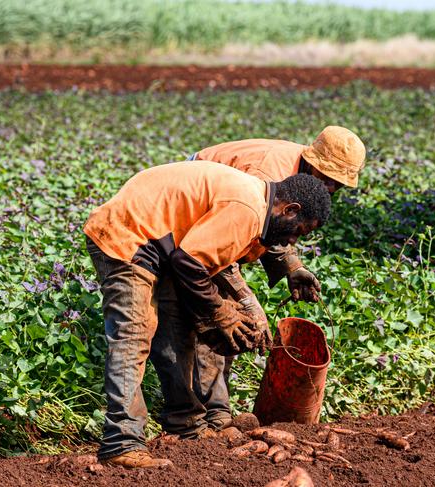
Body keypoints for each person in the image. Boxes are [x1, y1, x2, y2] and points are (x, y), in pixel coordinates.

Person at [83, 160, 331, 468]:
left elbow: (203, 259)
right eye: (298, 231)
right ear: (290, 209)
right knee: (133, 337)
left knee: (177, 333)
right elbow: (189, 263)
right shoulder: (248, 209)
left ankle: (186, 426)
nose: (291, 241)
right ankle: (121, 442)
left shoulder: (255, 201)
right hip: (128, 235)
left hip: (160, 244)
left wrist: (229, 309)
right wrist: (220, 312)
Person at [183, 126, 366, 432]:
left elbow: (272, 227)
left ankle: (216, 411)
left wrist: (292, 266)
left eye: (338, 185)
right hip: (197, 212)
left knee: (231, 317)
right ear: (312, 162)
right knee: (216, 315)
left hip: (225, 221)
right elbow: (224, 247)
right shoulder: (266, 173)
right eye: (329, 179)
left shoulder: (298, 178)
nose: (331, 189)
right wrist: (247, 300)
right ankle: (208, 417)